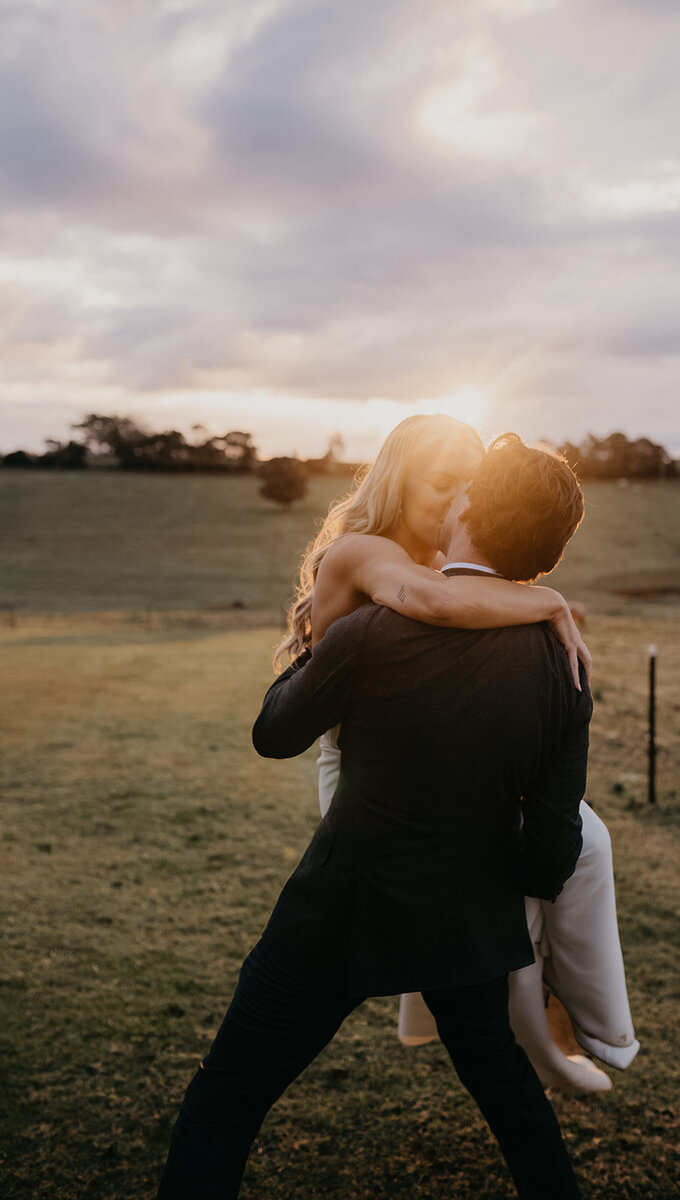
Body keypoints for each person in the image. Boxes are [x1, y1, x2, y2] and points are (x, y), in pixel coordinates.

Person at [157, 434, 593, 1199]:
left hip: (340, 912)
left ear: (465, 507)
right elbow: (555, 844)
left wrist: (314, 646)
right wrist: (499, 886)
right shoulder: (566, 662)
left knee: (228, 1099)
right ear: (549, 552)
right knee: (512, 1102)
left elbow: (274, 736)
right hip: (468, 924)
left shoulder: (367, 633)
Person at [283, 414, 637, 1091]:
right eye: (442, 484)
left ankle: (557, 1033)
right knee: (524, 863)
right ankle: (558, 1038)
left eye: (467, 486)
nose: (457, 502)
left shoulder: (450, 561)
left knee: (573, 844)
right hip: (366, 772)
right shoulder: (368, 552)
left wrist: (538, 605)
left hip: (437, 756)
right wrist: (550, 601)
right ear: (397, 483)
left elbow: (472, 607)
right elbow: (436, 606)